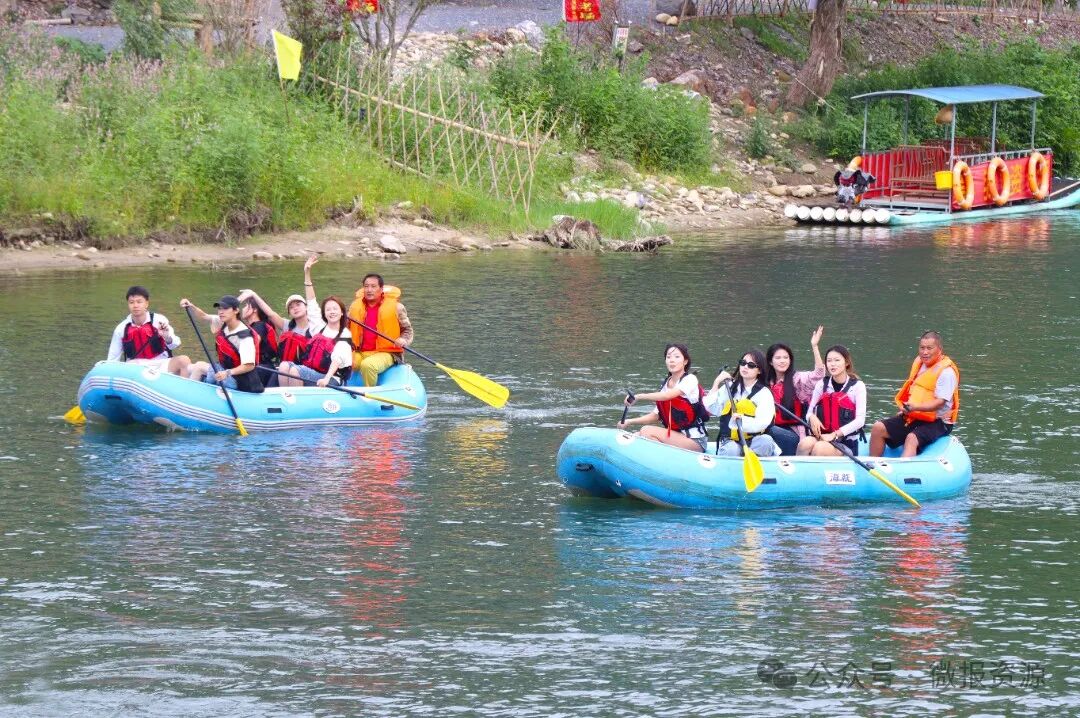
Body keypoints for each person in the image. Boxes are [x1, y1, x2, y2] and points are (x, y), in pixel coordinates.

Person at [869, 331, 959, 457]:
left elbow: (940, 403)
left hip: (939, 422)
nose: (925, 352)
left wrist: (915, 407)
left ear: (939, 349)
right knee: (878, 428)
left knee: (911, 438)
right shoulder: (919, 364)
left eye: (929, 348)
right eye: (922, 348)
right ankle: (872, 464)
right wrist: (907, 410)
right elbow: (915, 392)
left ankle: (903, 468)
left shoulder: (946, 372)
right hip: (916, 415)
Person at [276, 255, 354, 388]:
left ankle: (297, 399)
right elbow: (311, 301)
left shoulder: (344, 333)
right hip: (314, 372)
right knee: (283, 366)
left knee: (295, 370)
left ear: (342, 312)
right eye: (328, 309)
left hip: (332, 377)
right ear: (324, 313)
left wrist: (326, 379)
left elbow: (337, 359)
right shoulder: (319, 327)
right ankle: (286, 397)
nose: (332, 312)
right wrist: (307, 274)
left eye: (335, 309)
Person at [617, 343, 709, 452]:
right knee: (637, 435)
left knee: (646, 431)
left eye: (677, 357)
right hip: (676, 436)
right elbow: (655, 416)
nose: (672, 360)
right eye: (668, 357)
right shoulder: (665, 385)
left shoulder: (690, 379)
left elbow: (667, 396)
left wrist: (638, 396)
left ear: (685, 361)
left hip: (695, 440)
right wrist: (629, 421)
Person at [181, 295, 264, 393]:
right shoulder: (224, 322)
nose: (221, 312)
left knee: (199, 367)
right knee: (191, 367)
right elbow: (204, 317)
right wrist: (190, 306)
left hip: (240, 380)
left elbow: (249, 366)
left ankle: (188, 394)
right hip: (226, 370)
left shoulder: (244, 336)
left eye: (225, 308)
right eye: (219, 309)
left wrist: (227, 373)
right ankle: (191, 390)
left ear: (236, 310)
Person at [705, 349, 779, 457]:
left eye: (751, 365)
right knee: (732, 449)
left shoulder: (764, 393)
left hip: (755, 439)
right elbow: (712, 408)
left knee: (766, 441)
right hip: (731, 440)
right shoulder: (730, 387)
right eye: (743, 363)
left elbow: (763, 422)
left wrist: (742, 420)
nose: (745, 367)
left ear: (759, 371)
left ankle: (755, 461)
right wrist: (716, 382)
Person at [796, 345, 866, 457]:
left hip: (845, 443)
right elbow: (809, 412)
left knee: (820, 447)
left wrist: (834, 435)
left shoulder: (858, 386)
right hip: (823, 437)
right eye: (829, 361)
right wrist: (812, 417)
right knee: (804, 444)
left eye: (837, 360)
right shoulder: (822, 384)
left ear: (846, 363)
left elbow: (860, 421)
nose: (832, 364)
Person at [765, 325, 825, 455]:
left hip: (793, 435)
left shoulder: (797, 379)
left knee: (769, 429)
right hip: (770, 432)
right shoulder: (765, 383)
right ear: (770, 362)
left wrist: (815, 346)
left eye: (785, 358)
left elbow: (818, 375)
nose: (782, 361)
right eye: (778, 358)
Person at [347, 272, 414, 387]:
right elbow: (345, 328)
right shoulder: (354, 307)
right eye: (366, 286)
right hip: (360, 352)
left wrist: (403, 340)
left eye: (373, 286)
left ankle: (369, 393)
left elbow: (407, 330)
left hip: (388, 353)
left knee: (368, 365)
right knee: (343, 361)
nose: (369, 290)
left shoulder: (397, 307)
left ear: (381, 289)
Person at [107, 285, 191, 376]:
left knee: (184, 360)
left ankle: (183, 384)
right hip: (135, 366)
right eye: (131, 302)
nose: (135, 306)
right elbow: (112, 359)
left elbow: (175, 344)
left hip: (160, 363)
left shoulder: (159, 320)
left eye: (139, 302)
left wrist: (166, 337)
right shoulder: (121, 328)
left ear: (146, 304)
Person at [240, 295, 280, 387]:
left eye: (246, 305)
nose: (243, 309)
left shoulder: (259, 326)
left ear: (254, 309)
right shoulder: (252, 327)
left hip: (263, 367)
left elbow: (250, 346)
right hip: (260, 366)